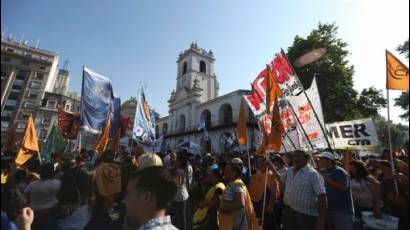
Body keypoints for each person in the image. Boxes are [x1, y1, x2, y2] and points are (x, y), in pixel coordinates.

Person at [269, 150, 327, 230]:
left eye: (299, 156)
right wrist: (270, 166)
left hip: (306, 217)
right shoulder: (290, 170)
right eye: (294, 156)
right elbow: (280, 178)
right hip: (289, 213)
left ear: (307, 158)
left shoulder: (313, 174)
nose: (296, 158)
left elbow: (322, 197)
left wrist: (321, 221)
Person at [317, 151, 354, 230]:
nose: (319, 161)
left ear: (329, 161)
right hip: (328, 210)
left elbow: (343, 187)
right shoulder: (322, 171)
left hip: (342, 211)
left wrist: (326, 178)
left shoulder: (340, 172)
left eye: (322, 160)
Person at [219, 161, 259, 230]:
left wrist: (224, 204)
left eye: (227, 170)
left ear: (235, 173)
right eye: (225, 170)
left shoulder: (237, 186)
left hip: (236, 225)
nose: (224, 172)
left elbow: (241, 203)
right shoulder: (234, 184)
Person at [24, 163, 61, 230]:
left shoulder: (32, 185)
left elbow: (26, 194)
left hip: (35, 213)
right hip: (52, 211)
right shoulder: (57, 183)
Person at [249, 156, 279, 230]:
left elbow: (274, 192)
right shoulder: (258, 172)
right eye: (259, 163)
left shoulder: (271, 175)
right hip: (256, 203)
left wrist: (270, 205)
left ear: (267, 164)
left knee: (268, 225)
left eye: (263, 163)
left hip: (265, 204)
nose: (260, 164)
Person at [378, 160, 409, 230]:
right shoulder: (380, 176)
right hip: (388, 204)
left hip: (401, 202)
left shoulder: (399, 176)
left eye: (383, 167)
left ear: (389, 167)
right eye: (380, 167)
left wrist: (401, 181)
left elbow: (406, 187)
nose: (382, 168)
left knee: (403, 221)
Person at [192, 165, 225, 230]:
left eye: (211, 175)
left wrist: (204, 203)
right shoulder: (215, 186)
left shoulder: (218, 188)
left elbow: (217, 204)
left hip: (213, 217)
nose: (209, 177)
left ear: (216, 177)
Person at [168, 151, 192, 230]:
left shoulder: (179, 171)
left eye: (177, 159)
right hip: (180, 195)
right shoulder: (181, 168)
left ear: (180, 161)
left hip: (180, 196)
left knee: (181, 217)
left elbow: (177, 185)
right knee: (180, 216)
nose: (175, 160)